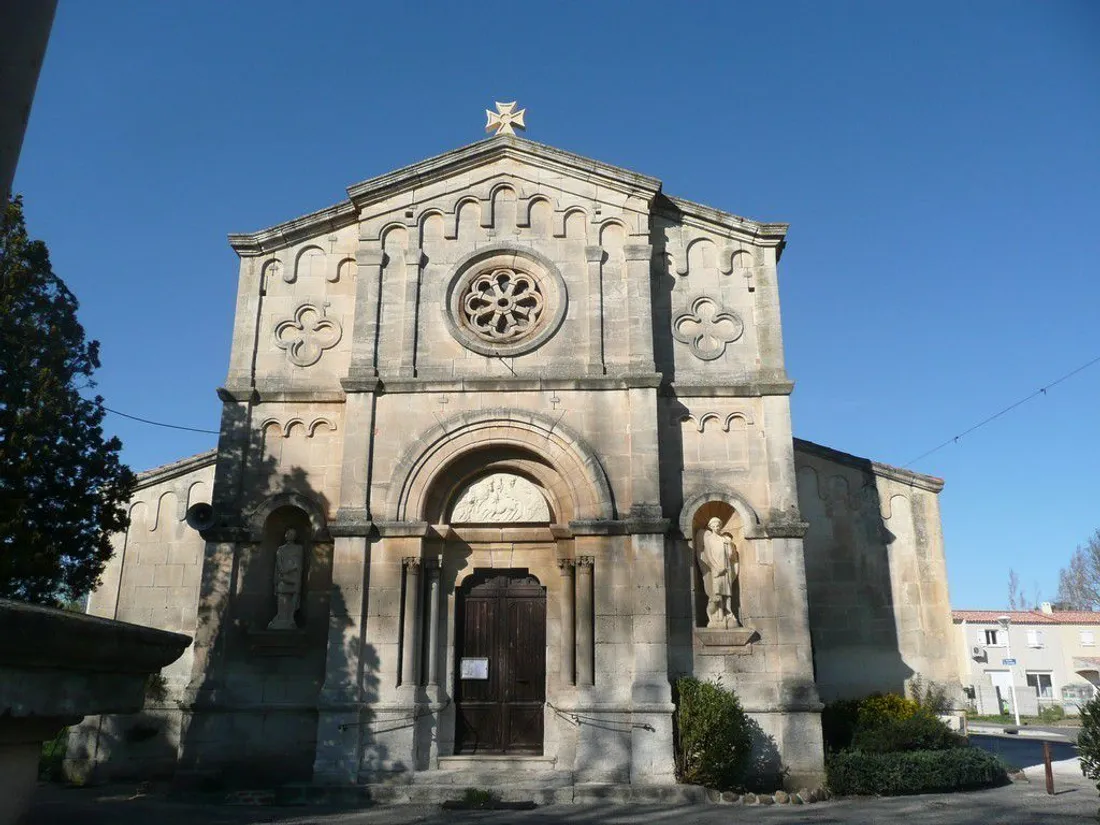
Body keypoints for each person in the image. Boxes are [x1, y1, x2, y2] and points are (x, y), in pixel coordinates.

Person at [694, 517, 740, 628]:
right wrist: (716, 567)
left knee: (727, 593)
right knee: (717, 593)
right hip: (715, 569)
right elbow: (707, 555)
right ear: (710, 527)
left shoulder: (723, 539)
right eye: (714, 525)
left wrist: (729, 545)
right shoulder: (708, 539)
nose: (716, 527)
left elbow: (730, 555)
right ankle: (717, 616)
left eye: (718, 525)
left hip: (726, 568)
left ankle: (728, 613)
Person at [268, 528, 304, 630]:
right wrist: (285, 571)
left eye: (292, 534)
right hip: (282, 577)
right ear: (285, 535)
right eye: (288, 533)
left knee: (294, 596)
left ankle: (290, 619)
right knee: (282, 598)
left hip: (294, 577)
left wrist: (291, 570)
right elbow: (278, 564)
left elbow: (299, 564)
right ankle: (281, 618)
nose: (290, 535)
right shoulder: (281, 549)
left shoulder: (299, 548)